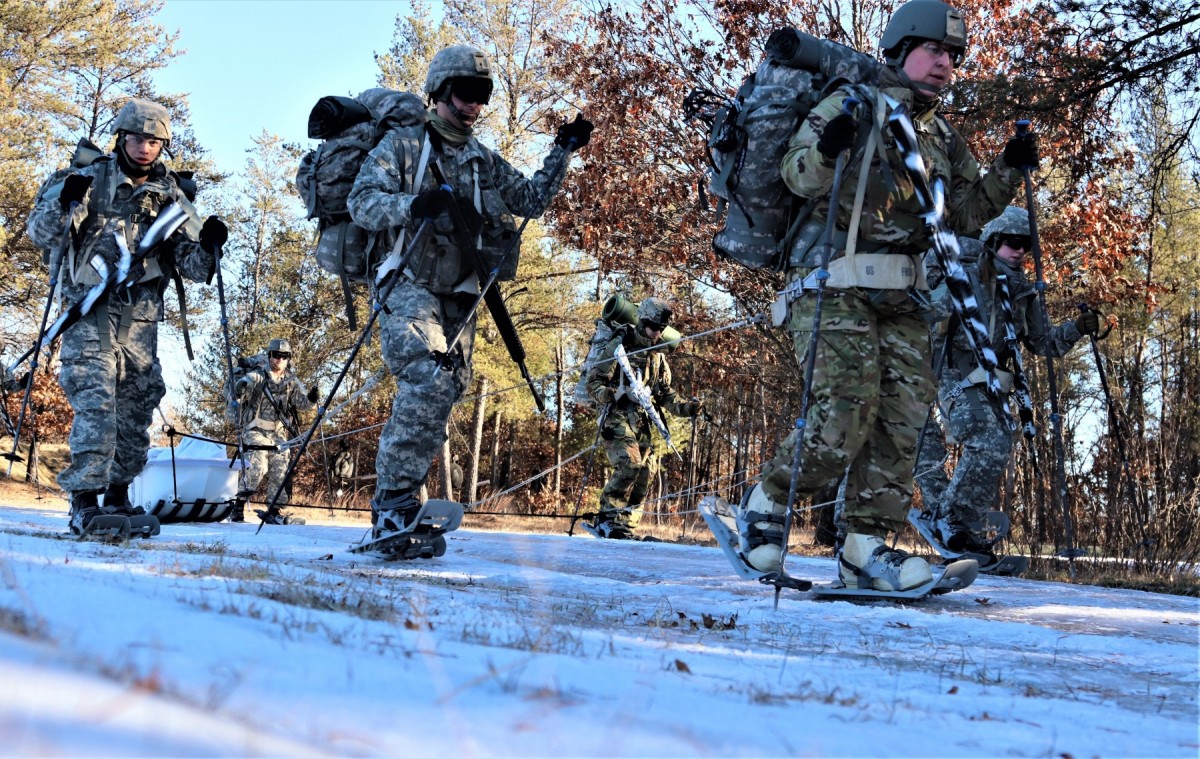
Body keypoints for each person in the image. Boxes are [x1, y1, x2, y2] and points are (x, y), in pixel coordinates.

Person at [735, 0, 1037, 593]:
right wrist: (829, 147)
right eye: (935, 50)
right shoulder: (853, 102)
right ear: (900, 49)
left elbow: (964, 217)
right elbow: (798, 175)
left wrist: (1004, 169)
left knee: (901, 420)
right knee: (845, 410)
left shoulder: (942, 136)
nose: (946, 64)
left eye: (955, 55)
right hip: (833, 282)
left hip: (903, 296)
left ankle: (864, 546)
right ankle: (766, 503)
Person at [347, 44, 593, 552]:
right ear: (439, 92)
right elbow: (362, 202)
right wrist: (415, 204)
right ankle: (392, 506)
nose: (472, 104)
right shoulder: (404, 147)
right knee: (428, 379)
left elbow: (531, 201)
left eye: (482, 94)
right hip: (407, 284)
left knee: (446, 390)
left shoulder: (483, 160)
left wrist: (562, 151)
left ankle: (404, 502)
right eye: (464, 92)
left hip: (460, 295)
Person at [25, 98, 221, 536]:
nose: (145, 147)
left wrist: (208, 247)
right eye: (137, 138)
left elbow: (190, 264)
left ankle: (118, 495)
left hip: (140, 318)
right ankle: (84, 501)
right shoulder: (85, 179)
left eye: (154, 141)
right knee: (96, 400)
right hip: (89, 309)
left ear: (163, 145)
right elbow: (38, 233)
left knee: (136, 406)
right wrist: (65, 204)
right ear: (121, 138)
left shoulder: (170, 196)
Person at [914, 206, 1099, 559]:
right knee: (988, 441)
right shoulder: (962, 272)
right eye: (1013, 243)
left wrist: (1077, 328)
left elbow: (1043, 342)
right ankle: (952, 520)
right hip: (947, 369)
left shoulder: (1021, 290)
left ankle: (954, 526)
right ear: (994, 241)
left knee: (1000, 441)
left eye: (1026, 246)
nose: (1019, 251)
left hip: (988, 379)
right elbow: (924, 313)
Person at [584, 297, 702, 539]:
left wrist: (686, 408)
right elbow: (594, 382)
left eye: (661, 330)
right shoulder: (620, 343)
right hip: (615, 414)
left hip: (641, 417)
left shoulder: (657, 354)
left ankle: (625, 525)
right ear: (643, 322)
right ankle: (607, 519)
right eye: (653, 327)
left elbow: (663, 392)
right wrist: (613, 393)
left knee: (646, 470)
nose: (657, 333)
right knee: (630, 463)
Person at [231, 338, 318, 524]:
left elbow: (302, 404)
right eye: (276, 355)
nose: (279, 359)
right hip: (256, 429)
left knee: (281, 464)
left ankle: (274, 508)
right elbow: (245, 385)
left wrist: (311, 398)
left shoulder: (291, 381)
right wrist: (242, 386)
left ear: (289, 358)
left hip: (278, 433)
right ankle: (237, 506)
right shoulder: (259, 375)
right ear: (269, 356)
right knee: (258, 462)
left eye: (284, 356)